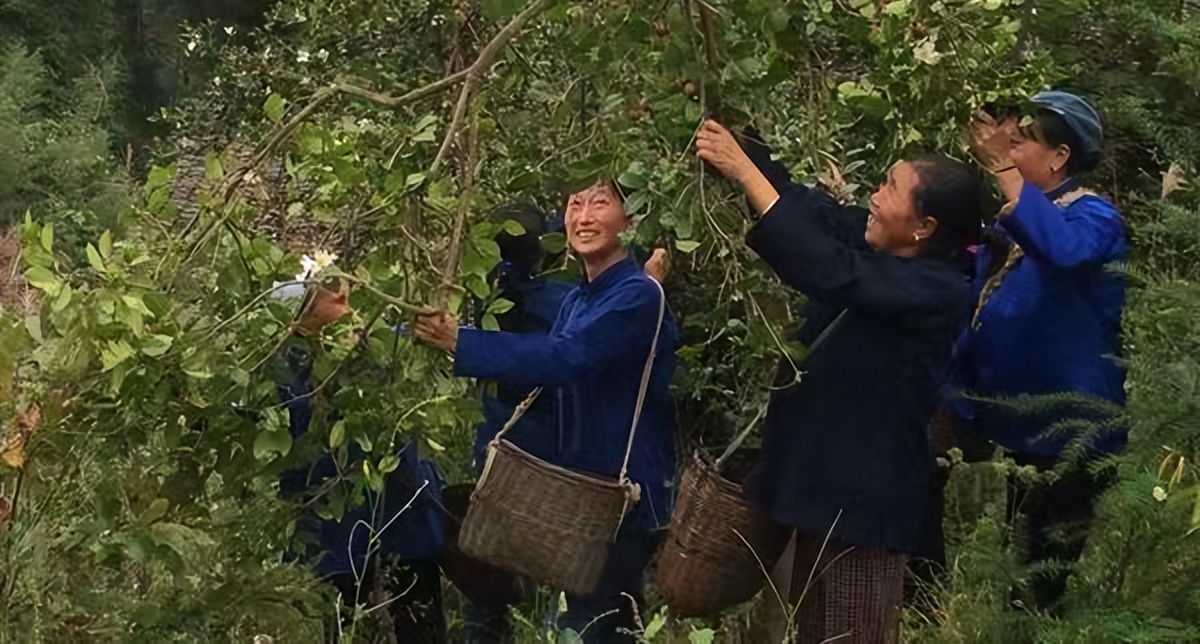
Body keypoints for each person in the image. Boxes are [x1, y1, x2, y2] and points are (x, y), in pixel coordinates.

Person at [695, 120, 982, 644]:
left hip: (858, 504)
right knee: (781, 624)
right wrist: (741, 139)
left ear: (924, 227)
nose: (874, 196)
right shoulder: (880, 243)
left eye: (890, 190)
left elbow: (829, 269)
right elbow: (811, 212)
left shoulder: (936, 290)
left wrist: (742, 170)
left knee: (846, 630)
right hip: (807, 483)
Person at [414, 180, 679, 643]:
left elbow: (567, 358)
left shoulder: (638, 296)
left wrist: (464, 342)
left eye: (601, 204)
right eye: (575, 203)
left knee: (598, 627)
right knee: (580, 622)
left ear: (630, 220)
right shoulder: (578, 298)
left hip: (622, 497)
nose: (584, 216)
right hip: (579, 491)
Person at [944, 90, 1128, 611]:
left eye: (1020, 143)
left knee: (1040, 582)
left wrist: (1004, 170)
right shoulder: (1024, 214)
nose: (1008, 151)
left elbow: (1065, 253)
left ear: (1059, 158)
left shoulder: (1093, 217)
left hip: (1073, 433)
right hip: (1029, 430)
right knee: (1023, 558)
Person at [272, 280, 447, 644]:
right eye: (339, 294)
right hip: (336, 533)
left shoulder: (380, 345)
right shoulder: (282, 369)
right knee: (346, 621)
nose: (347, 301)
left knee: (417, 618)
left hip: (401, 517)